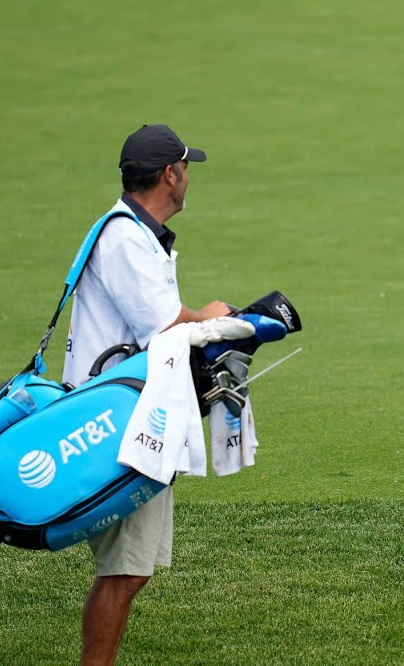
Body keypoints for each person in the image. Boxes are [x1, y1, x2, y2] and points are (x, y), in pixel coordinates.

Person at [64, 123, 233, 666]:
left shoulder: (133, 234)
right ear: (169, 175)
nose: (188, 179)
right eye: (186, 169)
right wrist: (209, 318)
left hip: (129, 417)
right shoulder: (126, 240)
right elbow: (162, 327)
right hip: (118, 427)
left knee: (129, 571)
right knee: (123, 571)